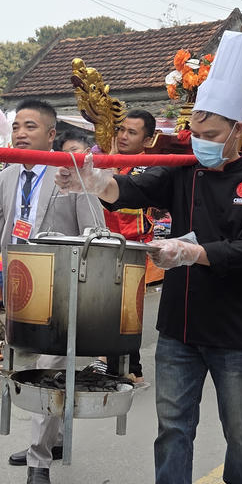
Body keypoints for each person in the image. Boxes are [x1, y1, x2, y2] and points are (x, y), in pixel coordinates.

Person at [57, 31, 242, 484]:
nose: (199, 135)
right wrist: (96, 185)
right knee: (172, 429)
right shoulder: (183, 172)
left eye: (211, 129)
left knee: (240, 429)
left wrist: (192, 253)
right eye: (195, 125)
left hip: (235, 331)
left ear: (236, 131)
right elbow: (132, 191)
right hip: (179, 329)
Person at [0, 98, 102, 484]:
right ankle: (53, 438)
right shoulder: (7, 177)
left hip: (63, 292)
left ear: (50, 134)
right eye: (17, 126)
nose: (21, 133)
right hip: (23, 290)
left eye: (30, 126)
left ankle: (38, 461)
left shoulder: (71, 172)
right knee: (28, 369)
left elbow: (95, 231)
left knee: (46, 369)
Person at [90, 109, 157, 380]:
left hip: (132, 246)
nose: (124, 136)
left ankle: (132, 369)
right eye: (122, 130)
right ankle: (110, 360)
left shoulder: (149, 167)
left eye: (132, 132)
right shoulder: (109, 159)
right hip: (104, 242)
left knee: (128, 310)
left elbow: (129, 204)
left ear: (147, 139)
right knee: (105, 307)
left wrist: (112, 173)